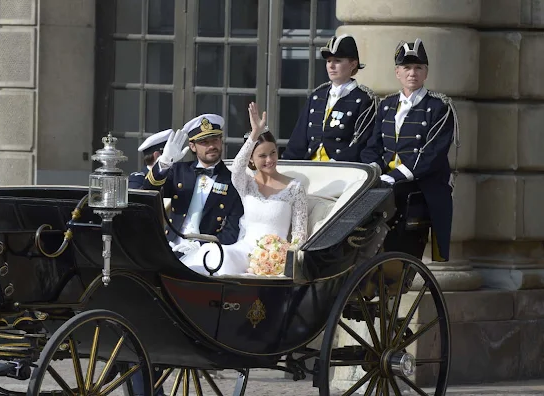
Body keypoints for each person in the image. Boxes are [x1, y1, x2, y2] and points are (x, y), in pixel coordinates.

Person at [360, 38, 460, 261]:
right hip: (385, 181)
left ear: (426, 73)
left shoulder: (440, 107)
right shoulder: (386, 105)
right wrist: (375, 170)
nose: (412, 73)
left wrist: (393, 177)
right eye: (406, 67)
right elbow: (373, 146)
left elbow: (432, 155)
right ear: (397, 72)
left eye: (418, 68)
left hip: (420, 185)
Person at [181, 103, 308, 276]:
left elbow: (300, 234)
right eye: (262, 156)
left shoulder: (295, 187)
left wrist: (283, 260)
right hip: (243, 251)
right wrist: (254, 135)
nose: (269, 159)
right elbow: (237, 167)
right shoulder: (246, 183)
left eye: (273, 153)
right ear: (251, 160)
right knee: (214, 255)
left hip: (276, 259)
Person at [143, 114, 244, 254]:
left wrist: (202, 246)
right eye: (204, 142)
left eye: (215, 140)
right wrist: (164, 163)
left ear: (221, 141)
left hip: (207, 254)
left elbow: (231, 233)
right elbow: (148, 192)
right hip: (171, 246)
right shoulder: (179, 171)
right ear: (192, 146)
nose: (211, 146)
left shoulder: (232, 180)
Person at [282, 34, 378, 162]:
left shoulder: (365, 100)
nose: (331, 66)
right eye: (328, 61)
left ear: (353, 64)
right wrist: (286, 165)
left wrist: (335, 166)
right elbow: (298, 140)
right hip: (309, 167)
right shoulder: (317, 96)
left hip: (342, 169)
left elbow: (360, 143)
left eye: (337, 61)